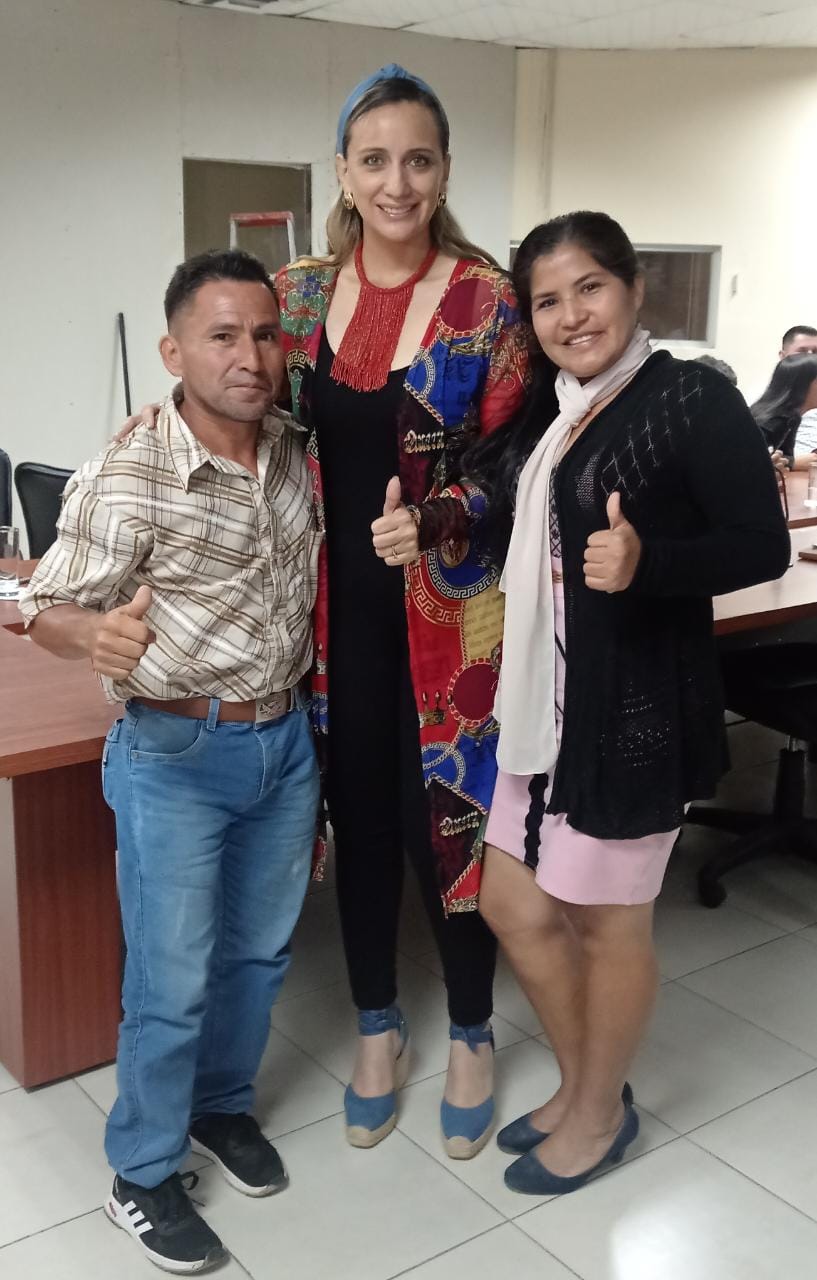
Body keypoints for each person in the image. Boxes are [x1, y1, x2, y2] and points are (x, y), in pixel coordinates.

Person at [464, 211, 789, 1197]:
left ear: (633, 287)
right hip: (540, 708)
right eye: (546, 301)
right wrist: (429, 520)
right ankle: (587, 1086)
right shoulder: (554, 408)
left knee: (605, 923)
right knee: (509, 900)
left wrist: (650, 562)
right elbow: (501, 499)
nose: (570, 315)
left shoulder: (689, 396)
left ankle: (598, 1113)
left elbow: (760, 545)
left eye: (588, 288)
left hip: (630, 710)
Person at [20, 250, 320, 1273]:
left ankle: (220, 1108)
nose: (249, 357)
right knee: (172, 973)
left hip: (285, 741)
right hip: (175, 750)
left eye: (264, 334)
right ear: (172, 351)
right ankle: (141, 1172)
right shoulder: (128, 471)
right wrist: (90, 635)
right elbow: (40, 602)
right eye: (221, 335)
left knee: (258, 954)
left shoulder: (295, 449)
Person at [275, 64, 528, 1158]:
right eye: (374, 159)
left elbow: (519, 460)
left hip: (453, 619)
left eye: (417, 160)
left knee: (449, 828)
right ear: (342, 171)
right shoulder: (295, 299)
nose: (396, 182)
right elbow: (245, 410)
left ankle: (470, 1029)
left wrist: (439, 515)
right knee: (362, 818)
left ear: (444, 171)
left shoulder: (486, 300)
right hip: (331, 619)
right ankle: (376, 1024)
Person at [751, 352, 817, 466]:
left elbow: (785, 456)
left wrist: (788, 462)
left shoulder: (793, 417)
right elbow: (747, 462)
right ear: (802, 384)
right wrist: (793, 463)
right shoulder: (771, 422)